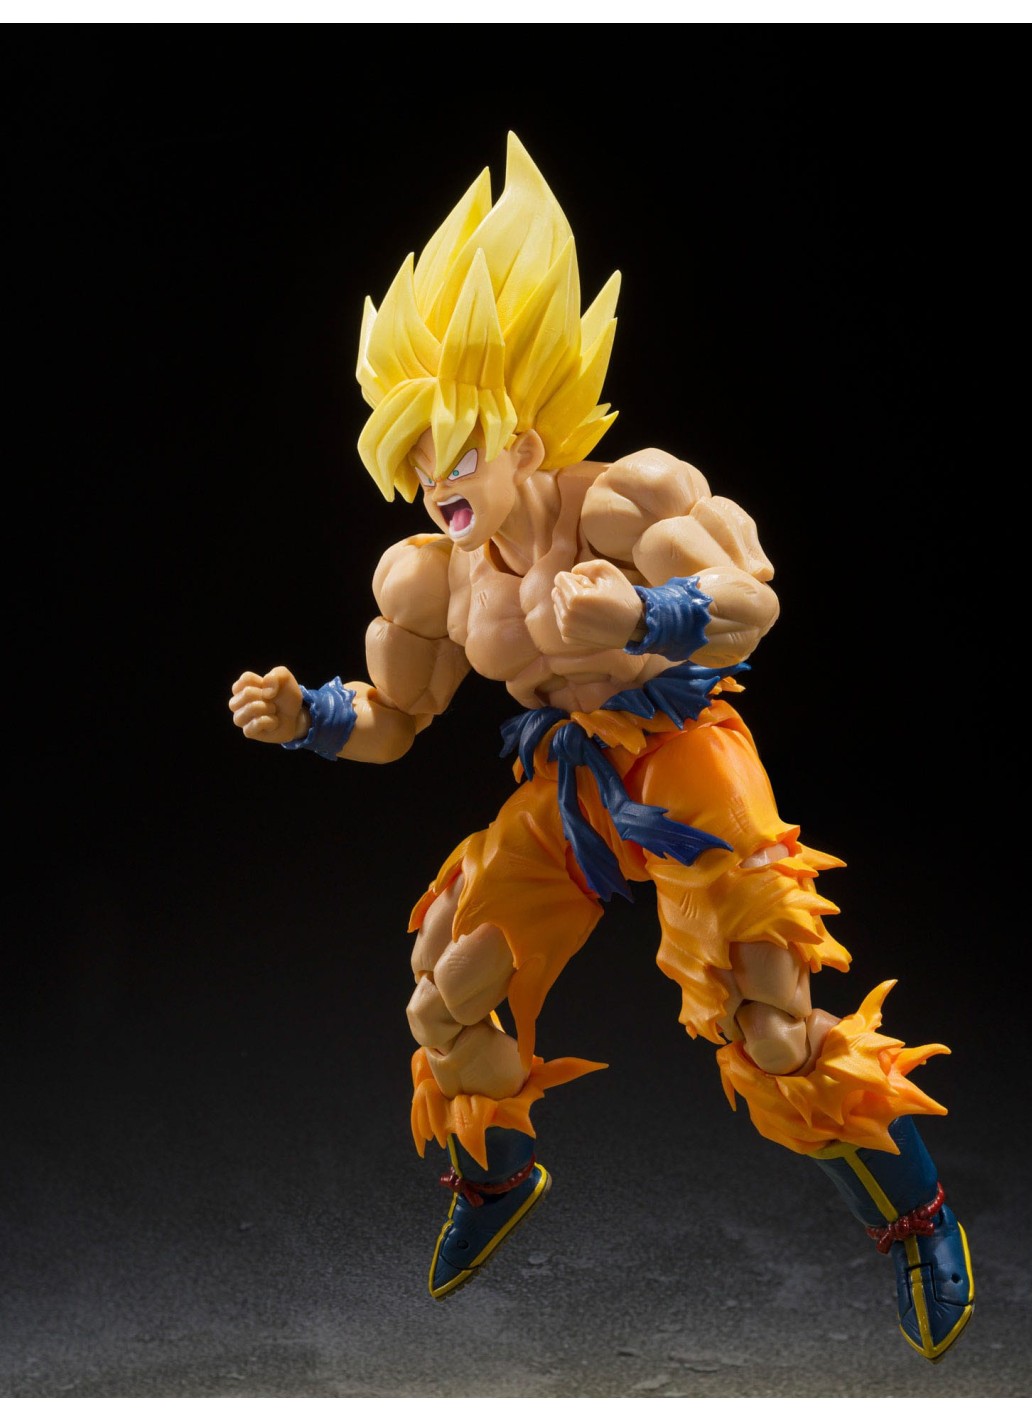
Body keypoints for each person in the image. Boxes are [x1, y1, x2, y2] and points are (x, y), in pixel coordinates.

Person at [229, 133, 974, 1361]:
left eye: (455, 446)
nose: (432, 478)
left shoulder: (627, 498)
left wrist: (641, 614)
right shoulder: (433, 576)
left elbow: (749, 601)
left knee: (769, 1024)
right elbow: (395, 720)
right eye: (411, 453)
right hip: (571, 779)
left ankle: (919, 1220)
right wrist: (306, 716)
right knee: (442, 989)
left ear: (524, 438)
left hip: (683, 756)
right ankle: (494, 1181)